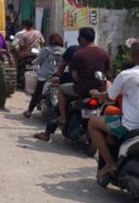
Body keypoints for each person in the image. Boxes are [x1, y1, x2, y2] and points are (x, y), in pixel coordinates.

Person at [34, 27, 110, 141]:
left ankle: (62, 118)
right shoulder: (104, 53)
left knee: (61, 91)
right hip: (98, 90)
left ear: (81, 39)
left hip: (80, 89)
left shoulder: (77, 53)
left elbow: (74, 75)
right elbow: (108, 74)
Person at [88, 41, 139, 178]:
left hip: (129, 126)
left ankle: (110, 163)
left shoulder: (127, 75)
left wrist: (96, 95)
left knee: (93, 122)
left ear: (134, 56)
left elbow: (109, 97)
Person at [23, 33, 65, 118]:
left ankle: (29, 111)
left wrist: (32, 62)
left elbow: (37, 61)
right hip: (59, 76)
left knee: (37, 93)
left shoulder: (45, 50)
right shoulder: (64, 51)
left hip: (45, 76)